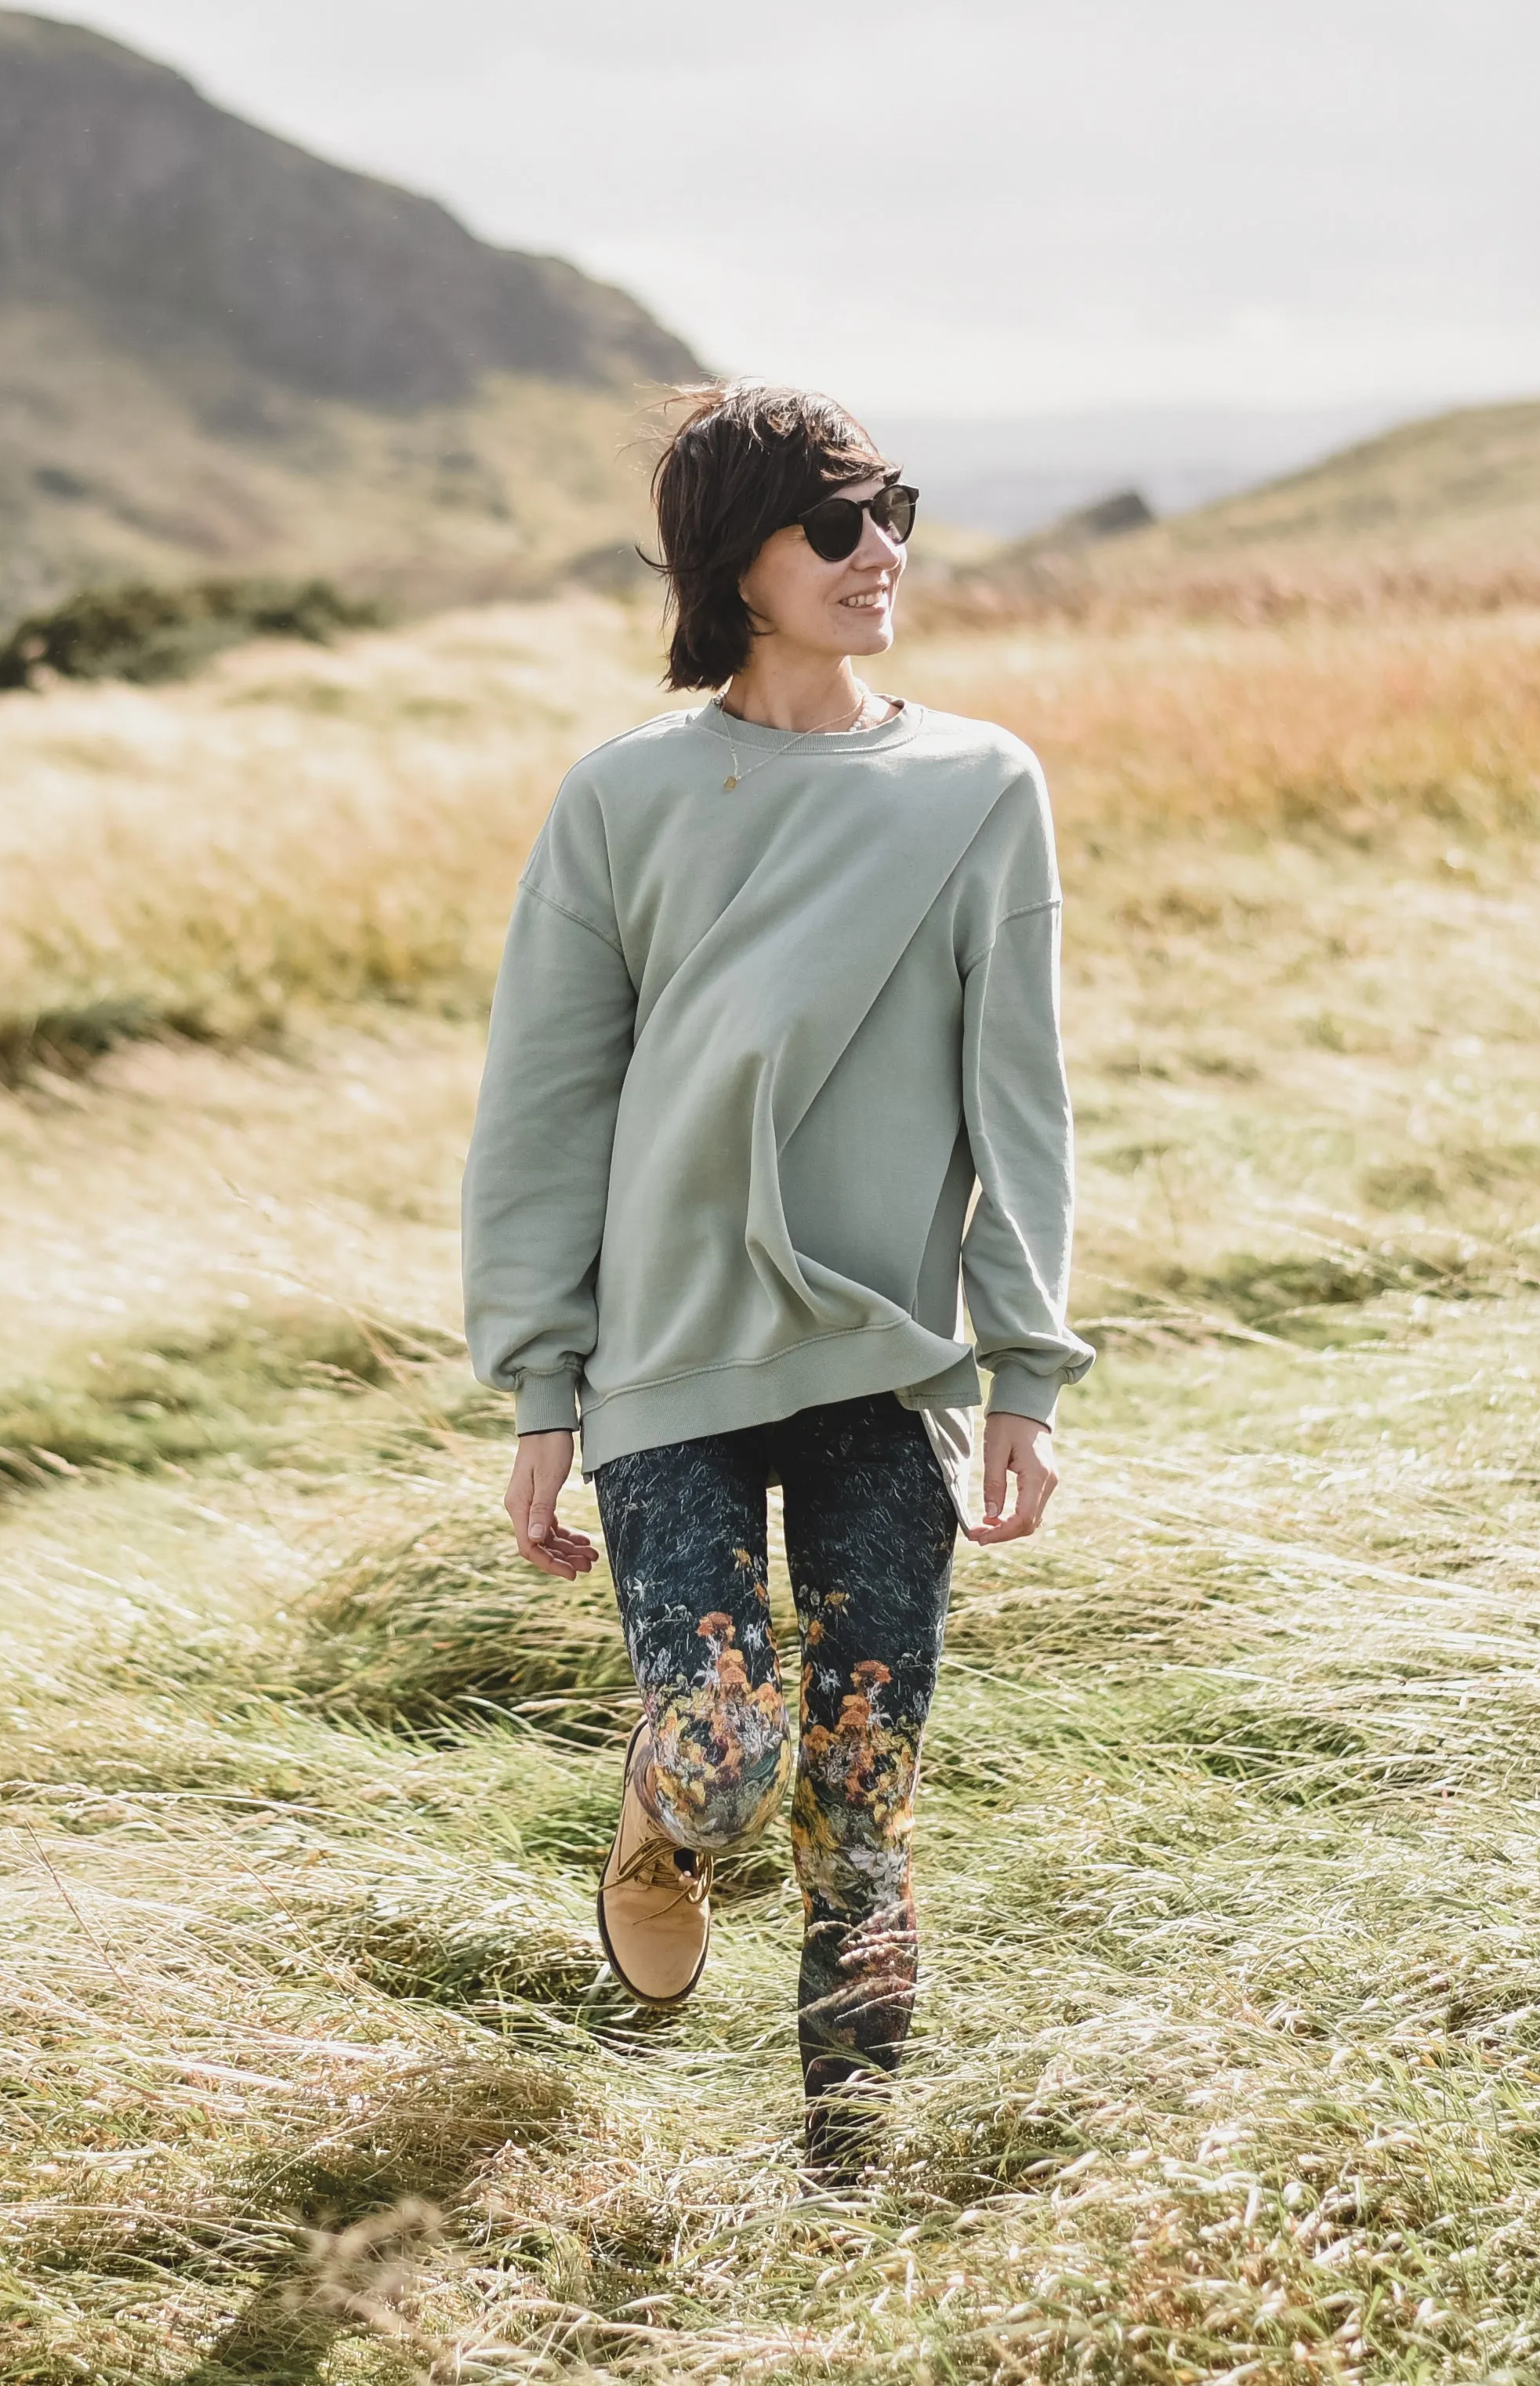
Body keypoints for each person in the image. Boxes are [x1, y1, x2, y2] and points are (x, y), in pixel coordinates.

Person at [461, 379, 1090, 2174]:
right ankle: (664, 1816)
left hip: (884, 1364)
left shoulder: (978, 784)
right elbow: (545, 1103)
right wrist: (538, 1388)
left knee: (862, 1791)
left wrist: (1025, 1371)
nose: (878, 548)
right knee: (736, 1746)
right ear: (729, 560)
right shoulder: (623, 796)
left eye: (894, 507)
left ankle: (849, 2178)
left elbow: (1018, 1096)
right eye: (833, 521)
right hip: (668, 1358)